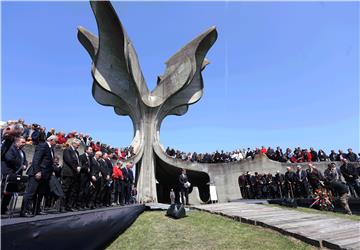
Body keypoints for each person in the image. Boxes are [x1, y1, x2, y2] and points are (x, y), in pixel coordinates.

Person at [20, 135, 58, 217]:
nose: (57, 143)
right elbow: (36, 159)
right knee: (30, 193)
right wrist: (37, 171)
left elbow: (48, 162)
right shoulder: (42, 145)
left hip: (45, 175)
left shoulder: (51, 149)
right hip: (36, 174)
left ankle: (36, 210)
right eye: (56, 141)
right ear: (51, 140)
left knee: (40, 194)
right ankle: (24, 211)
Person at [1, 136, 27, 215]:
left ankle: (3, 209)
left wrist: (25, 165)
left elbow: (25, 161)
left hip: (16, 175)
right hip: (8, 173)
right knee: (3, 191)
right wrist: (20, 165)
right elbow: (9, 158)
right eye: (23, 142)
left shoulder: (22, 152)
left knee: (10, 192)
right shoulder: (11, 148)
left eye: (25, 142)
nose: (24, 144)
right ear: (17, 142)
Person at [61, 139, 81, 211]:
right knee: (65, 190)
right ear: (73, 143)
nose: (78, 146)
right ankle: (62, 206)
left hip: (74, 174)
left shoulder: (77, 152)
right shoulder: (67, 150)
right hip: (68, 173)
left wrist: (79, 167)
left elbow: (78, 162)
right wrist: (76, 168)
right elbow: (68, 160)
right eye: (78, 145)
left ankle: (69, 206)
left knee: (72, 191)